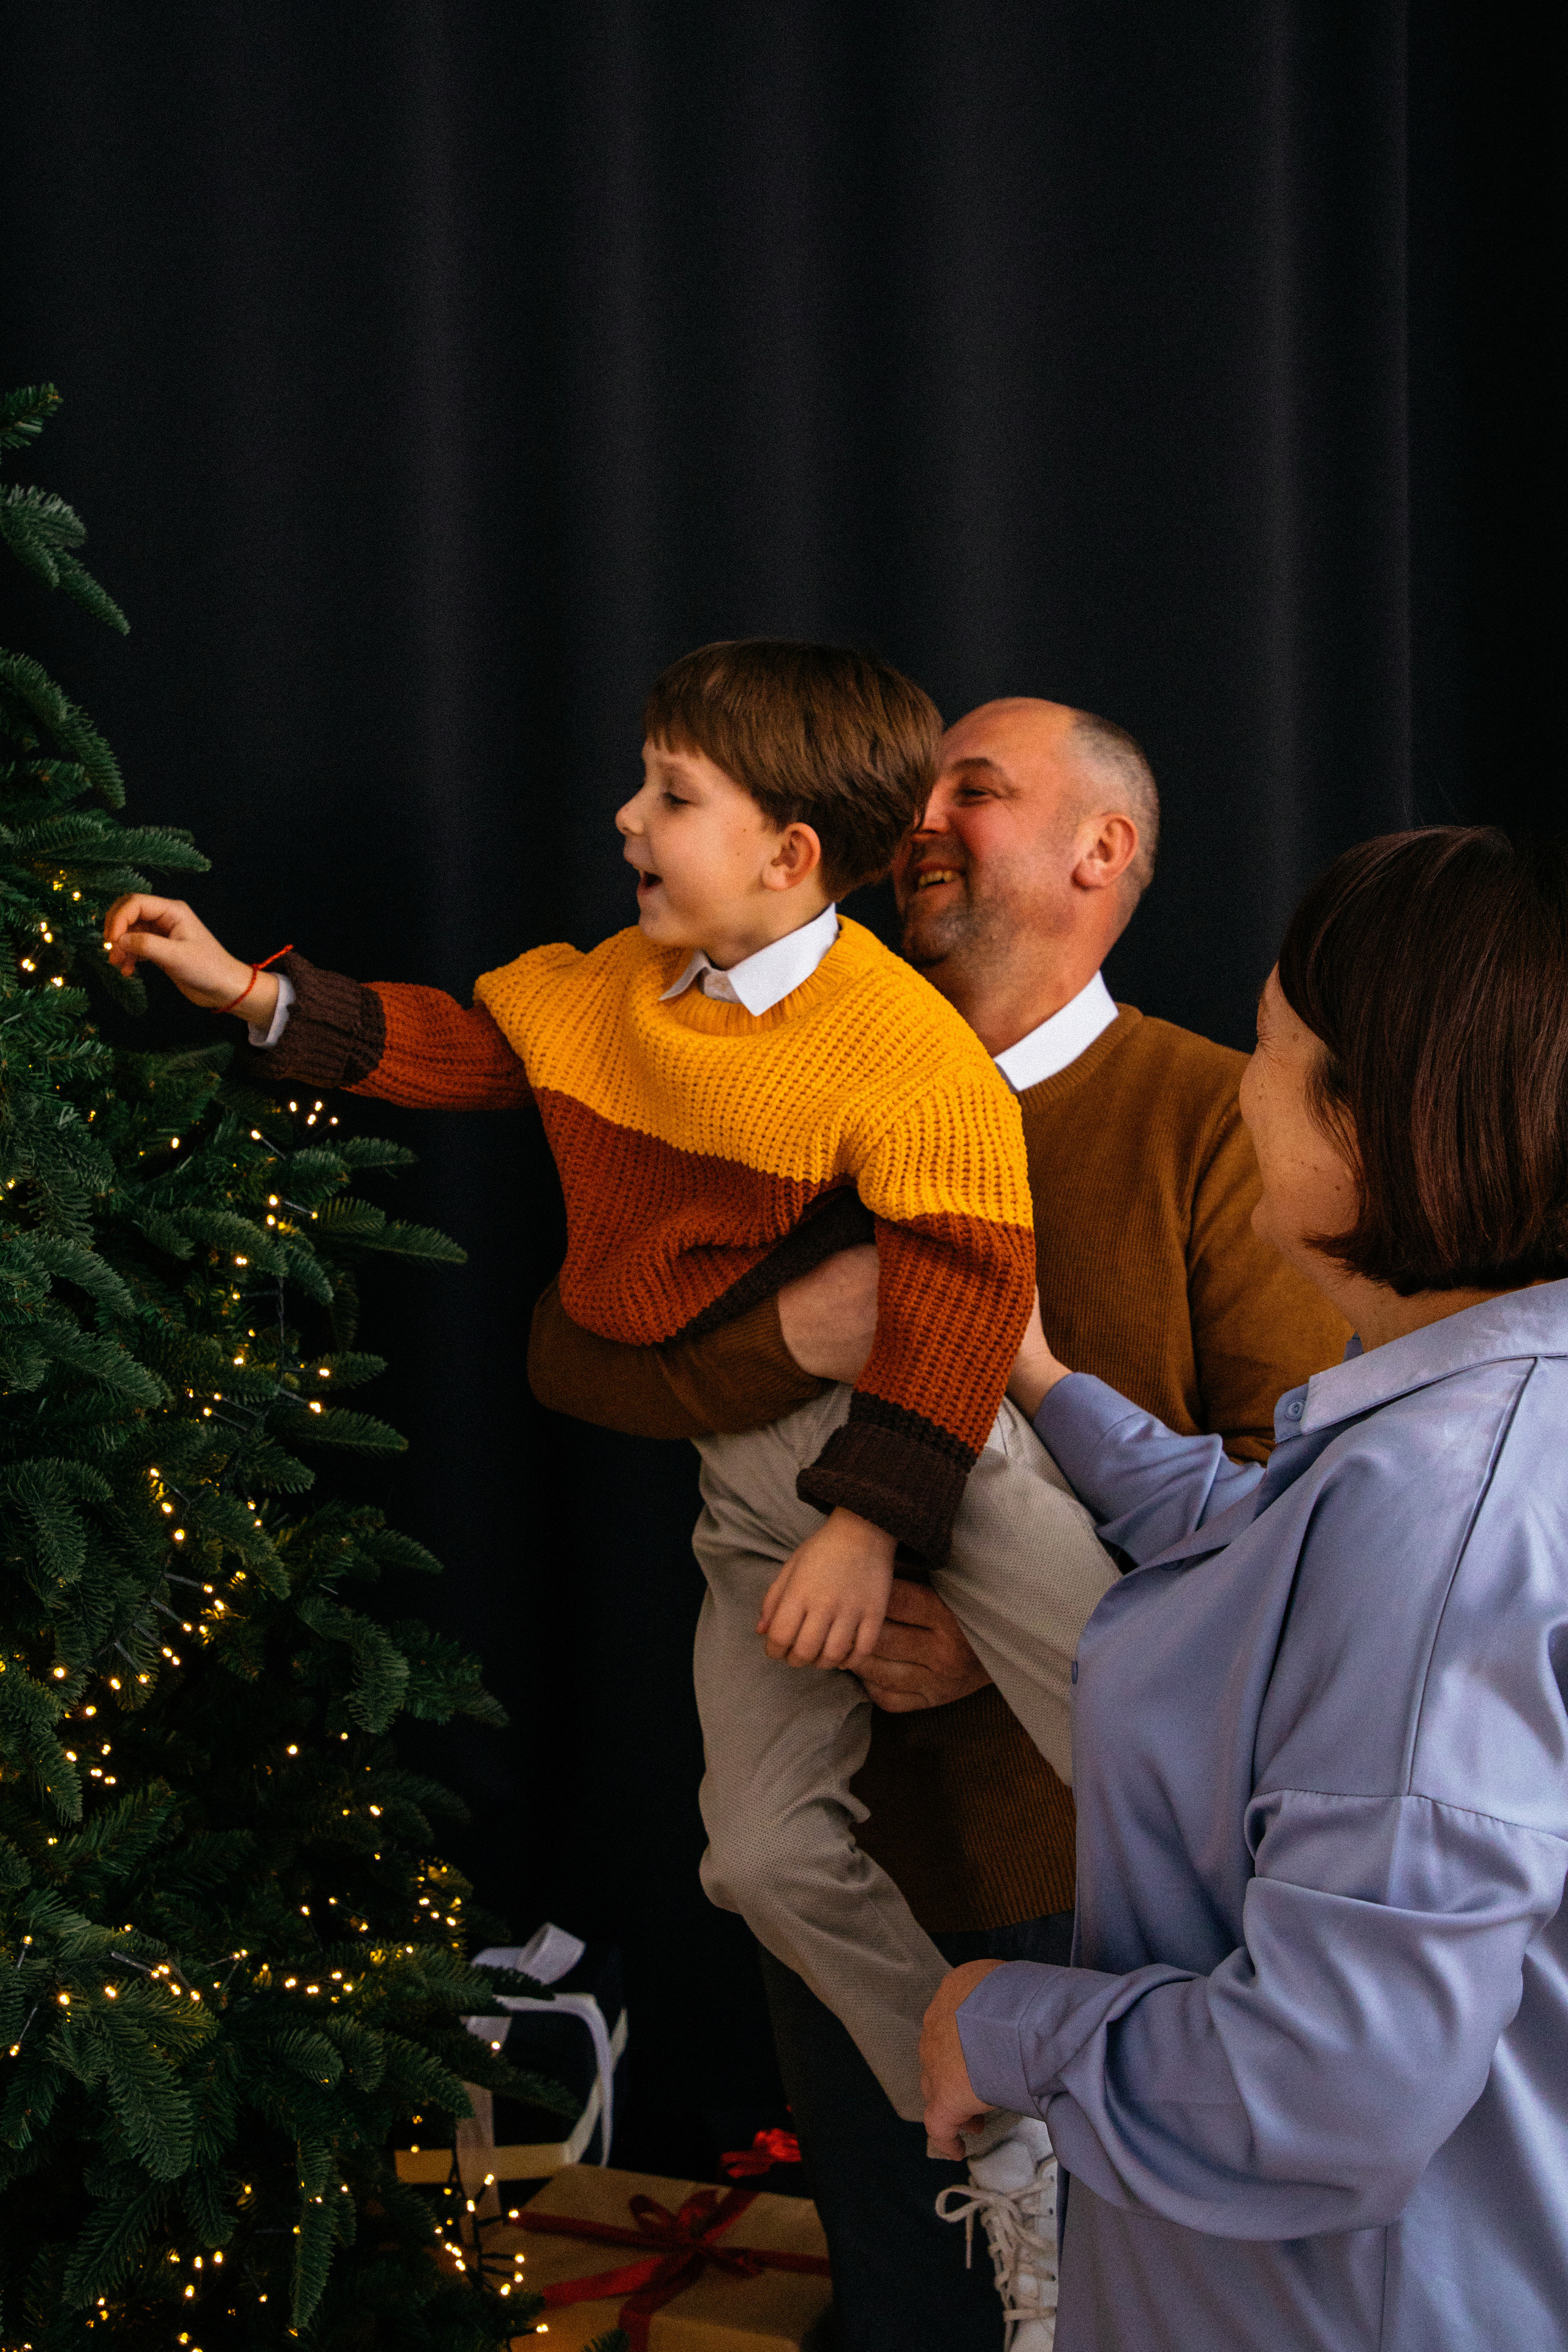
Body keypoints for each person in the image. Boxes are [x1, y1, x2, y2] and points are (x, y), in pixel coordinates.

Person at [99, 641, 1117, 2168]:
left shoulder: (901, 1049)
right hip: (753, 1479)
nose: (627, 822)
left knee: (1143, 1736)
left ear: (786, 854)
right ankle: (995, 2130)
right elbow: (469, 1047)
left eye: (669, 795)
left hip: (937, 1444)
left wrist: (863, 1523)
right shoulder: (622, 994)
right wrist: (246, 991)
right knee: (761, 1858)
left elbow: (968, 1291)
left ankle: (1266, 2070)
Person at [533, 696, 1349, 2350]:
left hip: (1100, 1886)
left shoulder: (1213, 1118)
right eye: (919, 791)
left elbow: (1290, 1494)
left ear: (1099, 852)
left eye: (973, 792)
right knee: (909, 2307)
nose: (922, 822)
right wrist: (795, 1337)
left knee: (1133, 2314)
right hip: (855, 1885)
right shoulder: (773, 1078)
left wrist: (981, 1640)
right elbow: (570, 1358)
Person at [921, 826, 1568, 2351]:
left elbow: (1322, 2087)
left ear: (1380, 1118)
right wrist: (1045, 1382)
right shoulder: (1466, 1432)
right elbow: (1270, 1555)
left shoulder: (1440, 1520)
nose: (1234, 1081)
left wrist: (997, 2024)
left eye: (1270, 1049)